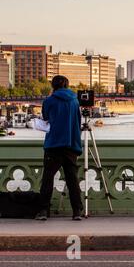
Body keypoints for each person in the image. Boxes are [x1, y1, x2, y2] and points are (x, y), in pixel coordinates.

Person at [35, 76, 83, 221]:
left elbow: (45, 117)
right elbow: (78, 120)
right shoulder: (75, 100)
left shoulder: (49, 100)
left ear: (53, 86)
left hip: (54, 145)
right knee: (72, 179)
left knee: (48, 179)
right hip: (71, 145)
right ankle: (77, 211)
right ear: (67, 85)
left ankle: (43, 211)